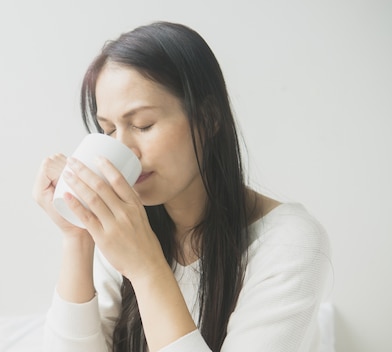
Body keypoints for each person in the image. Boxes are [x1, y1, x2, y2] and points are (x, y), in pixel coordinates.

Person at [33, 21, 332, 352]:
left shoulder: (290, 243)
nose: (123, 149)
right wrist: (77, 236)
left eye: (143, 125)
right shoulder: (124, 227)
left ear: (208, 119)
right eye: (109, 130)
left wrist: (146, 268)